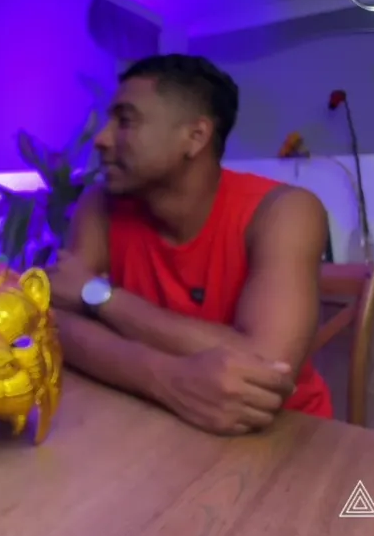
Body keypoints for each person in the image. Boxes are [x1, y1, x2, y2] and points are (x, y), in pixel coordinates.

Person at [47, 53, 331, 436]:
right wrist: (166, 377)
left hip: (282, 432)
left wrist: (98, 296)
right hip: (158, 419)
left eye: (125, 121)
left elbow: (266, 365)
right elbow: (57, 323)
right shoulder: (100, 204)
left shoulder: (284, 210)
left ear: (195, 137)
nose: (101, 138)